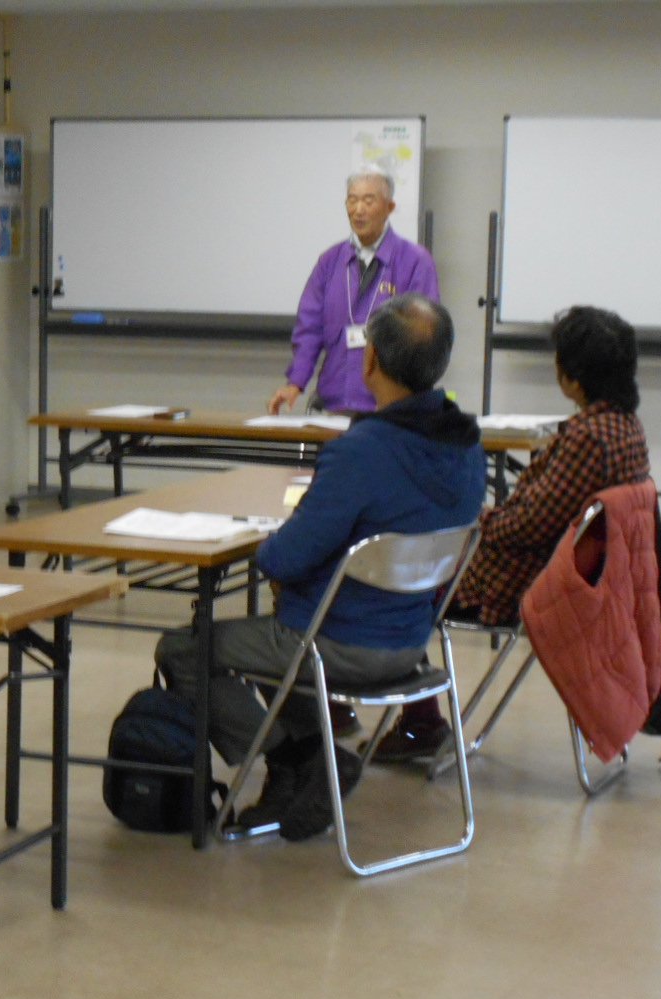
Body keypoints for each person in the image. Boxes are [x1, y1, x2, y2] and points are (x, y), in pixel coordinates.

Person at [159, 294, 486, 841]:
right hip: (412, 644)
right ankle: (312, 764)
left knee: (184, 649)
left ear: (369, 360)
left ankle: (297, 759)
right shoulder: (467, 447)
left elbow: (282, 558)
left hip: (338, 645)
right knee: (287, 635)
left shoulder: (362, 451)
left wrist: (279, 540)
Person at [374, 304, 652, 761]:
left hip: (523, 580)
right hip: (584, 579)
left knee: (399, 579)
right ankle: (416, 720)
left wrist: (475, 520)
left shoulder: (588, 437)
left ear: (574, 378)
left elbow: (526, 525)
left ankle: (418, 721)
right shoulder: (626, 429)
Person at [269, 167, 441, 416]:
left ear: (389, 207)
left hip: (391, 408)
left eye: (368, 201)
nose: (358, 209)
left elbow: (425, 337)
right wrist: (295, 382)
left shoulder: (414, 261)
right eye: (352, 200)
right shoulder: (330, 261)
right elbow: (309, 327)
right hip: (336, 402)